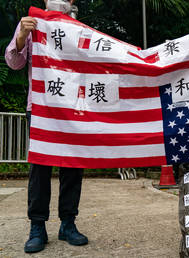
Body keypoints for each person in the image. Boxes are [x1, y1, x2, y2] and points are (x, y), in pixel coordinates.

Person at [5, 0, 88, 253]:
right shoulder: (32, 25)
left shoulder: (80, 29)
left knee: (73, 166)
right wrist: (21, 36)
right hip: (41, 108)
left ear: (72, 1)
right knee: (39, 168)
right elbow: (14, 62)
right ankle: (37, 226)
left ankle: (68, 223)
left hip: (73, 109)